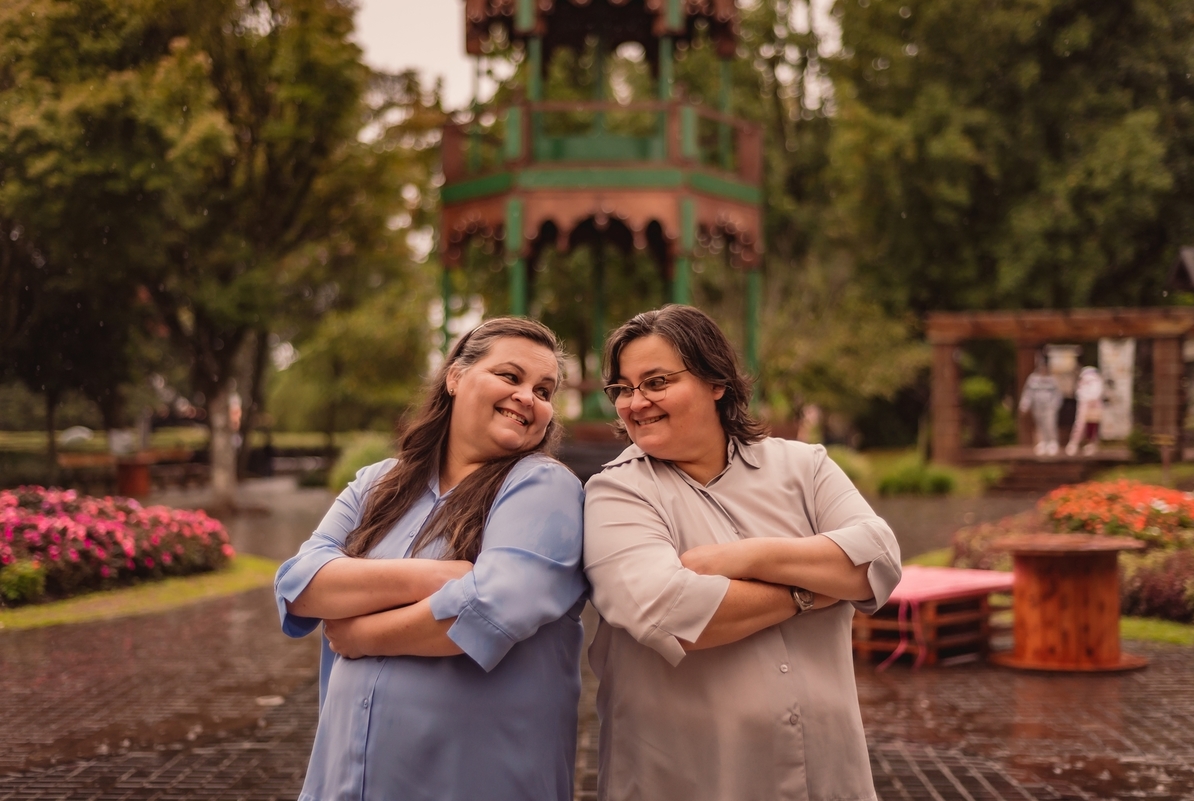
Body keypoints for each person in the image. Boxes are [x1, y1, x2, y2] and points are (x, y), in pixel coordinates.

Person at [584, 305, 901, 801]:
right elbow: (672, 613)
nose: (635, 402)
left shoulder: (804, 466)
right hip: (690, 777)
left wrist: (746, 558)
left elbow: (879, 558)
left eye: (656, 381)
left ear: (717, 381)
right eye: (623, 388)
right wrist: (812, 591)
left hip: (828, 773)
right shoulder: (615, 494)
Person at [274, 317, 587, 801]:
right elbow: (301, 584)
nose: (529, 396)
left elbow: (489, 608)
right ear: (455, 377)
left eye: (544, 390)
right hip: (346, 779)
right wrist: (447, 574)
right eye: (510, 376)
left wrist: (358, 632)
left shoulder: (542, 486)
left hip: (475, 780)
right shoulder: (378, 484)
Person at [1018, 354, 1063, 456]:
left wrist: (1055, 406)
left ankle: (1052, 442)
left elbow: (1058, 394)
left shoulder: (1052, 379)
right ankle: (1042, 443)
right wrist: (1024, 405)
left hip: (1049, 407)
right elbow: (1028, 393)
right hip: (1037, 406)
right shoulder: (1033, 379)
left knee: (1050, 424)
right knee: (1040, 425)